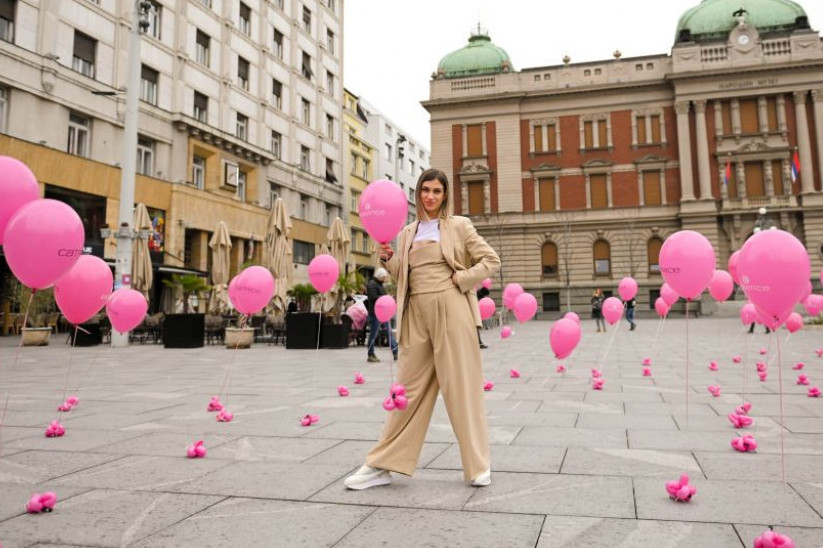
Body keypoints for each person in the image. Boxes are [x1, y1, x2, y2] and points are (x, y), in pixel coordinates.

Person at [344, 168, 501, 490]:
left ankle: (478, 465)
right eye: (425, 190)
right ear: (417, 194)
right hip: (415, 312)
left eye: (437, 191)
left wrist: (462, 279)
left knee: (461, 389)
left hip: (451, 308)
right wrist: (389, 260)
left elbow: (491, 260)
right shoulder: (406, 233)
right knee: (407, 390)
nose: (430, 196)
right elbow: (405, 276)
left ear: (445, 196)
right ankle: (382, 464)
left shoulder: (459, 226)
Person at [366, 268, 397, 362]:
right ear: (379, 276)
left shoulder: (379, 285)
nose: (385, 279)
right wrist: (385, 297)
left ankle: (396, 352)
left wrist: (388, 298)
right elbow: (373, 297)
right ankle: (370, 354)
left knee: (389, 332)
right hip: (375, 314)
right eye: (384, 277)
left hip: (383, 313)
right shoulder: (372, 285)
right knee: (373, 334)